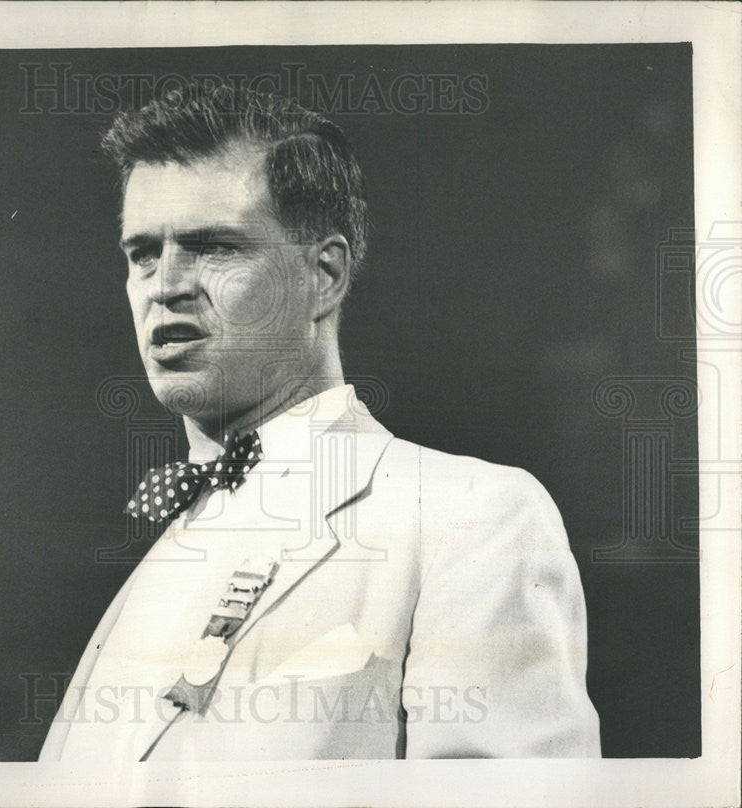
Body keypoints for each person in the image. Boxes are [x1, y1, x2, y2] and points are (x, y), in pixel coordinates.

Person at [40, 82, 600, 765]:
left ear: (324, 275)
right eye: (142, 254)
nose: (165, 284)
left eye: (212, 246)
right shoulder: (163, 551)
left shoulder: (471, 517)